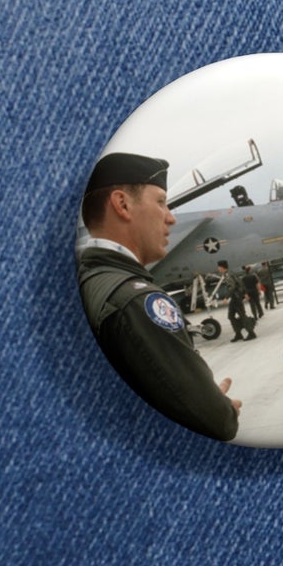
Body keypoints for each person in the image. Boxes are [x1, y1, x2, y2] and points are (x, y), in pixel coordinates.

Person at [76, 153, 240, 442]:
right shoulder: (137, 301)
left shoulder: (87, 281)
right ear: (122, 204)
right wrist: (221, 408)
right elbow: (216, 423)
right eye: (161, 202)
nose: (171, 217)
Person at [216, 259, 256, 341]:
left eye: (218, 267)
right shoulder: (230, 273)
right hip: (235, 297)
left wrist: (226, 298)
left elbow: (233, 286)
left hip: (236, 298)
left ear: (221, 267)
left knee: (242, 315)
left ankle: (251, 333)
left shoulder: (227, 275)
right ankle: (238, 333)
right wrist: (245, 293)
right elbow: (240, 282)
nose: (218, 269)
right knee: (231, 316)